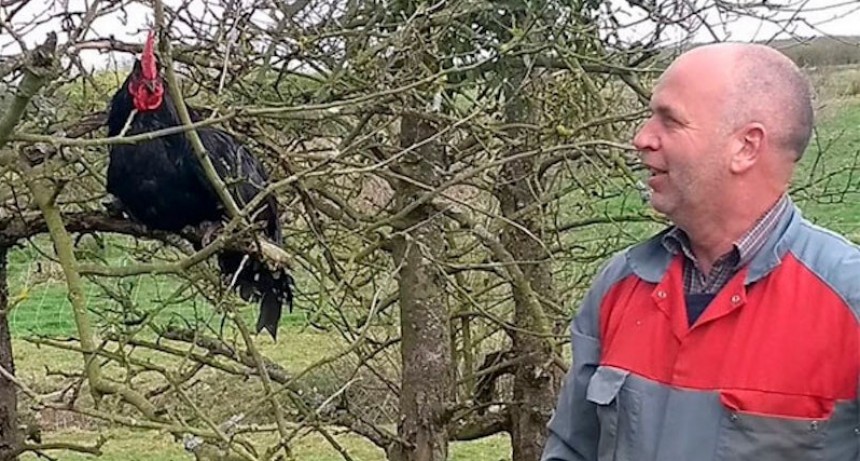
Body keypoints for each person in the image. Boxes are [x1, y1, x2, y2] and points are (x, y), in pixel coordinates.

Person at [541, 42, 860, 461]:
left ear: (746, 147)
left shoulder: (848, 301)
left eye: (670, 121)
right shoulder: (619, 286)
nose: (641, 138)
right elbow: (572, 448)